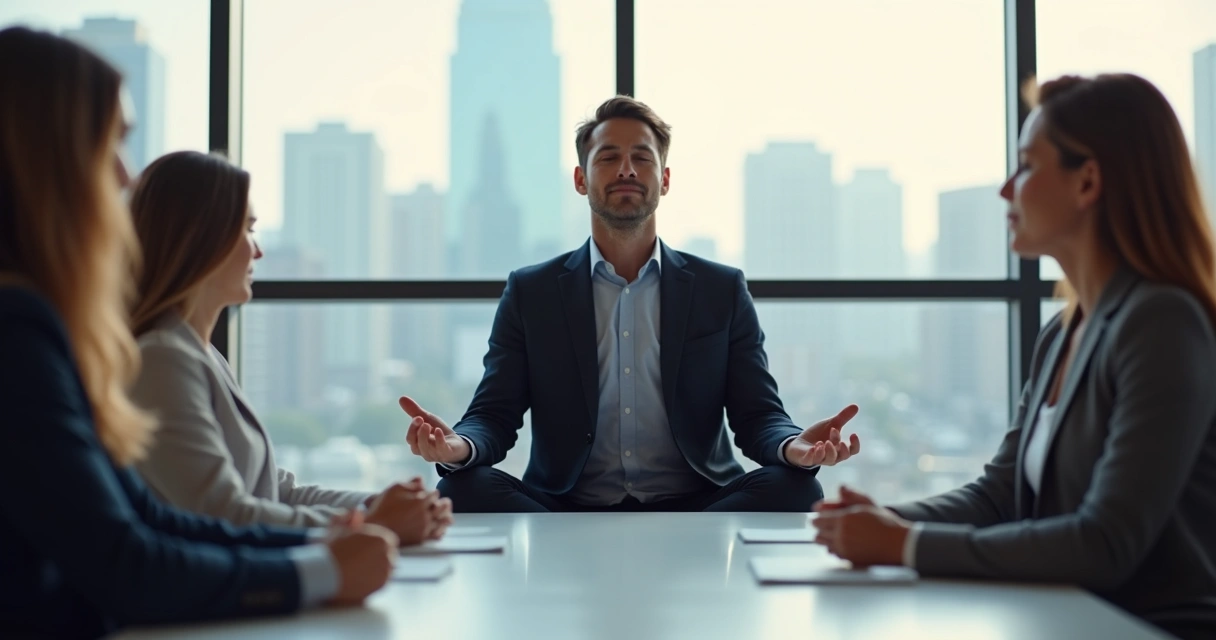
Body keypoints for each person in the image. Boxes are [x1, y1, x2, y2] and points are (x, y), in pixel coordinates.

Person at [0, 27, 397, 638]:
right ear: (44, 162)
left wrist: (336, 541)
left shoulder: (47, 329)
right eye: (110, 144)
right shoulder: (20, 333)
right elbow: (126, 561)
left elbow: (149, 518)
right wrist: (318, 568)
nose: (126, 177)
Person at [811, 73, 1216, 640]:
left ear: (1088, 181)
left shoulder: (1161, 323)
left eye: (1026, 165)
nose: (1007, 189)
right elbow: (1000, 496)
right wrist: (883, 521)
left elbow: (1105, 542)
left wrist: (904, 545)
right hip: (1061, 616)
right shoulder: (1062, 333)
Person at [401, 96, 861, 513]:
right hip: (567, 503)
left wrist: (792, 447)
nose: (626, 169)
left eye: (642, 157)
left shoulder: (720, 288)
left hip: (697, 501)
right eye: (609, 158)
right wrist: (459, 447)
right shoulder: (532, 291)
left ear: (664, 179)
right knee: (462, 488)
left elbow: (757, 414)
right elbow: (495, 415)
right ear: (581, 180)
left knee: (797, 487)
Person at [127, 150, 452, 545]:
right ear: (200, 239)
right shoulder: (163, 360)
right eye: (247, 230)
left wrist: (385, 505)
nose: (258, 251)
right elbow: (224, 515)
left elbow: (279, 493)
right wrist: (377, 522)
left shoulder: (202, 355)